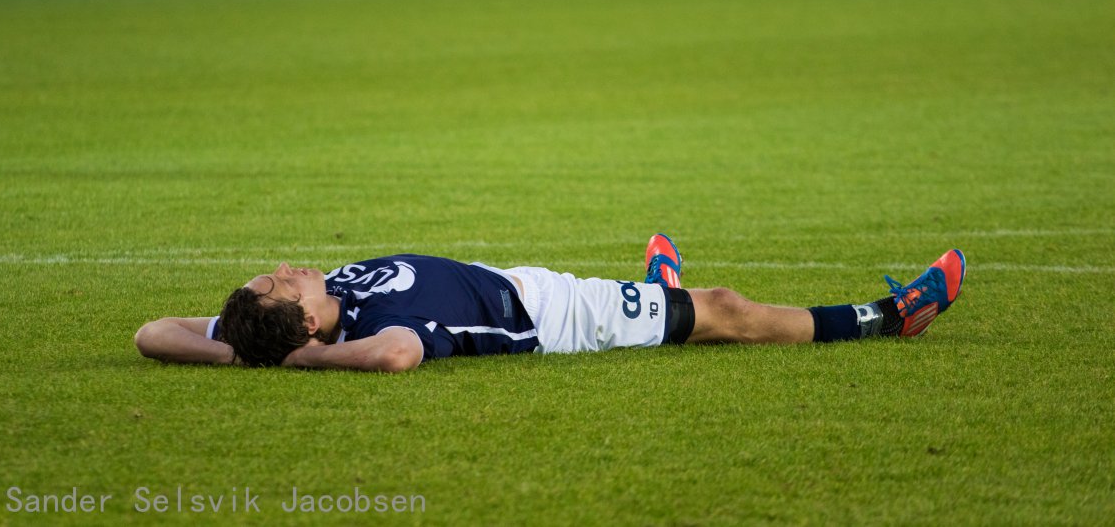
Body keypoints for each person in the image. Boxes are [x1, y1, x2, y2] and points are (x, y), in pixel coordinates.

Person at [133, 235, 966, 371]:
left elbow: (151, 332)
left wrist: (245, 350)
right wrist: (302, 356)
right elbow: (397, 358)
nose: (284, 268)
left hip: (526, 281)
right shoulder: (381, 331)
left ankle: (660, 291)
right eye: (280, 285)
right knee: (724, 309)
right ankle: (891, 318)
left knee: (681, 302)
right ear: (304, 323)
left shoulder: (287, 321)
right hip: (563, 320)